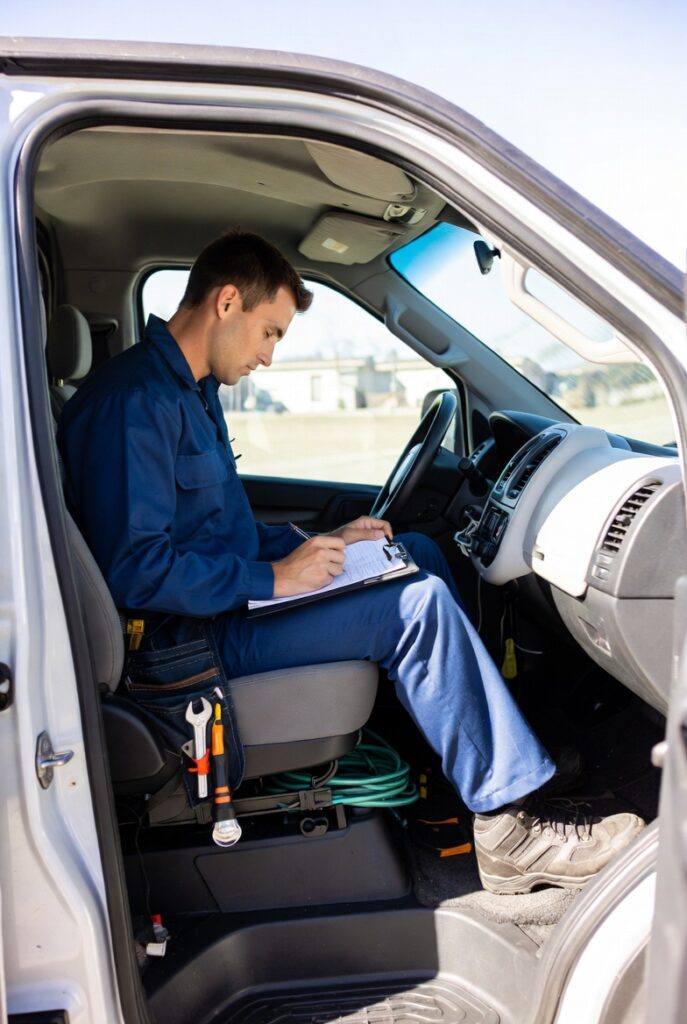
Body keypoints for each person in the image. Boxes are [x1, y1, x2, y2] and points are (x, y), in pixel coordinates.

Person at [58, 230, 644, 895]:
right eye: (269, 333)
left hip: (223, 606)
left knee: (413, 551)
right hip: (185, 646)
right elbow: (133, 570)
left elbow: (222, 530)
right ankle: (509, 830)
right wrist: (274, 578)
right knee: (414, 609)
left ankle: (490, 753)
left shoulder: (191, 392)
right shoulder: (131, 404)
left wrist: (329, 543)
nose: (269, 357)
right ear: (227, 302)